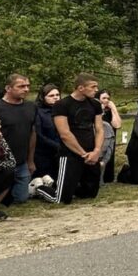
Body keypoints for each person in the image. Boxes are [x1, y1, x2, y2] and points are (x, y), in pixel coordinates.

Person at [0, 74, 38, 206]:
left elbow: (32, 132)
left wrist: (30, 160)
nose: (26, 89)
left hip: (21, 160)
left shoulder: (31, 107)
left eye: (28, 86)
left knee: (21, 198)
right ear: (8, 88)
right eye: (21, 86)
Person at [53, 74, 105, 204]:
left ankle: (71, 186)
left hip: (91, 151)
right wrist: (83, 154)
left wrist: (97, 151)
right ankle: (40, 187)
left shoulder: (95, 104)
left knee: (90, 193)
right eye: (93, 87)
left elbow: (99, 129)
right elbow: (64, 133)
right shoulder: (62, 105)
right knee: (62, 199)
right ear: (81, 88)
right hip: (71, 153)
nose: (96, 90)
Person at [32, 84, 64, 201]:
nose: (55, 97)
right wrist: (56, 146)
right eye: (51, 95)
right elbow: (39, 135)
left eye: (57, 95)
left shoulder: (62, 110)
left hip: (61, 150)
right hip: (43, 153)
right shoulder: (38, 112)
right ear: (43, 97)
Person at [97, 91, 123, 182]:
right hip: (100, 141)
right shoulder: (96, 112)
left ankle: (108, 178)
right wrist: (100, 110)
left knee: (109, 157)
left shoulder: (110, 111)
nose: (106, 100)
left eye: (108, 98)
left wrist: (114, 109)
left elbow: (117, 125)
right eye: (104, 98)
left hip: (110, 141)